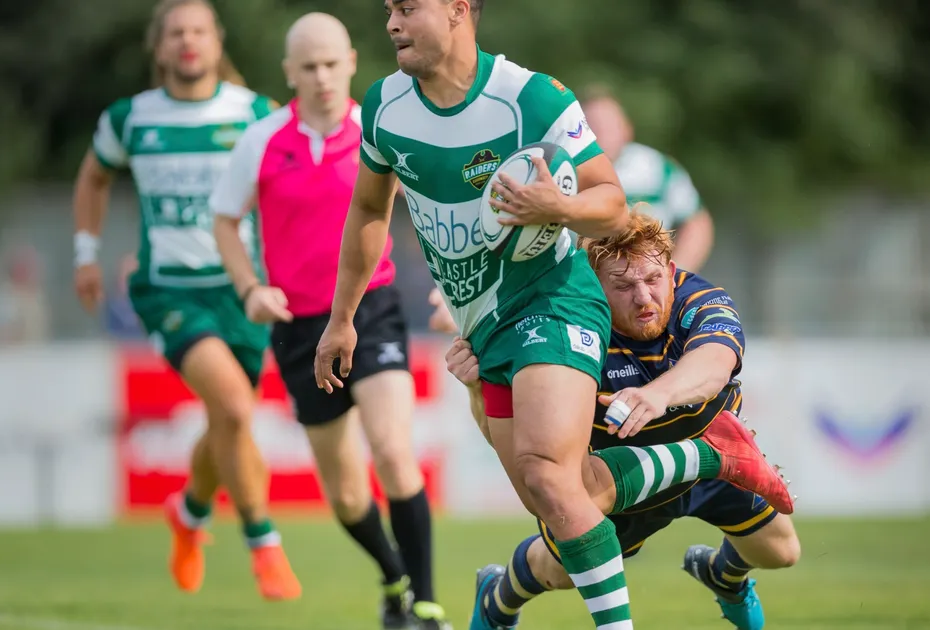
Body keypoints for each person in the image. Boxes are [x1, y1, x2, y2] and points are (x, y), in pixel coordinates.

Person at [313, 2, 793, 629]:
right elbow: (369, 212)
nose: (392, 24)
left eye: (408, 8)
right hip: (482, 323)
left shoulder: (531, 98)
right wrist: (342, 317)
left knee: (549, 473)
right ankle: (707, 455)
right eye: (389, 10)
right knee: (557, 498)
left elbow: (613, 204)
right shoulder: (383, 107)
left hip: (554, 297)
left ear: (458, 10)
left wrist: (556, 207)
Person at [440, 212, 800, 630]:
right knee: (561, 557)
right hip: (622, 486)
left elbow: (715, 363)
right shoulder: (572, 328)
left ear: (671, 271)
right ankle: (497, 596)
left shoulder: (699, 298)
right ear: (595, 286)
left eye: (653, 279)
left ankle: (723, 575)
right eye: (624, 286)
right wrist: (477, 390)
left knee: (782, 552)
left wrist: (657, 394)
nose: (644, 297)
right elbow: (514, 443)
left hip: (717, 461)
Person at [209, 13, 448, 629]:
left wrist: (451, 288)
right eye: (308, 66)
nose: (321, 77)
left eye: (330, 64)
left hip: (374, 309)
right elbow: (224, 220)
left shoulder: (380, 131)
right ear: (290, 72)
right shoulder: (262, 140)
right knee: (343, 492)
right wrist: (250, 289)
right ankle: (393, 578)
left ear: (351, 64)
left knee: (393, 451)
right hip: (298, 324)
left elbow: (436, 209)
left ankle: (425, 606)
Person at [71, 0, 300, 602]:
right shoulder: (130, 119)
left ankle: (191, 510)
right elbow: (93, 177)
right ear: (160, 46)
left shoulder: (254, 114)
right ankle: (263, 543)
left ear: (216, 41)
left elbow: (296, 179)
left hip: (242, 291)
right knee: (234, 406)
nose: (188, 41)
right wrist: (85, 254)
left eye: (198, 30)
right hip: (169, 290)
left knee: (228, 417)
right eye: (176, 32)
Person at [581, 85, 715, 272]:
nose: (600, 134)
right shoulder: (563, 170)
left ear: (627, 129)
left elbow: (696, 222)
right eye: (591, 126)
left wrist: (677, 272)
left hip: (646, 280)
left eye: (608, 126)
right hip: (584, 283)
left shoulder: (658, 168)